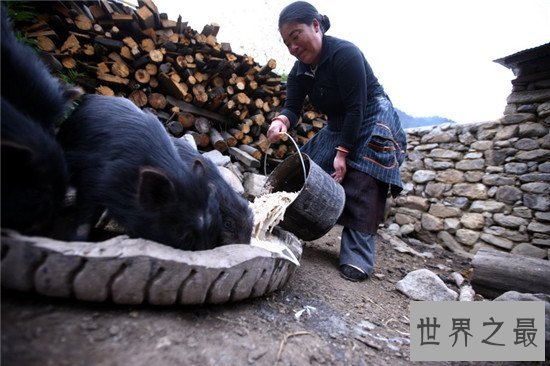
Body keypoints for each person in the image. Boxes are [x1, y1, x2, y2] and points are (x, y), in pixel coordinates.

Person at [267, 1, 407, 282]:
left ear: (316, 26)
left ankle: (357, 257)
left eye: (296, 36)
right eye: (287, 43)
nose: (293, 47)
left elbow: (357, 106)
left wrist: (342, 154)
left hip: (372, 114)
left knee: (364, 176)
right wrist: (281, 121)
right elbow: (292, 106)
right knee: (304, 167)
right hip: (339, 122)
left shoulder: (345, 54)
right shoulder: (299, 71)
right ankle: (278, 225)